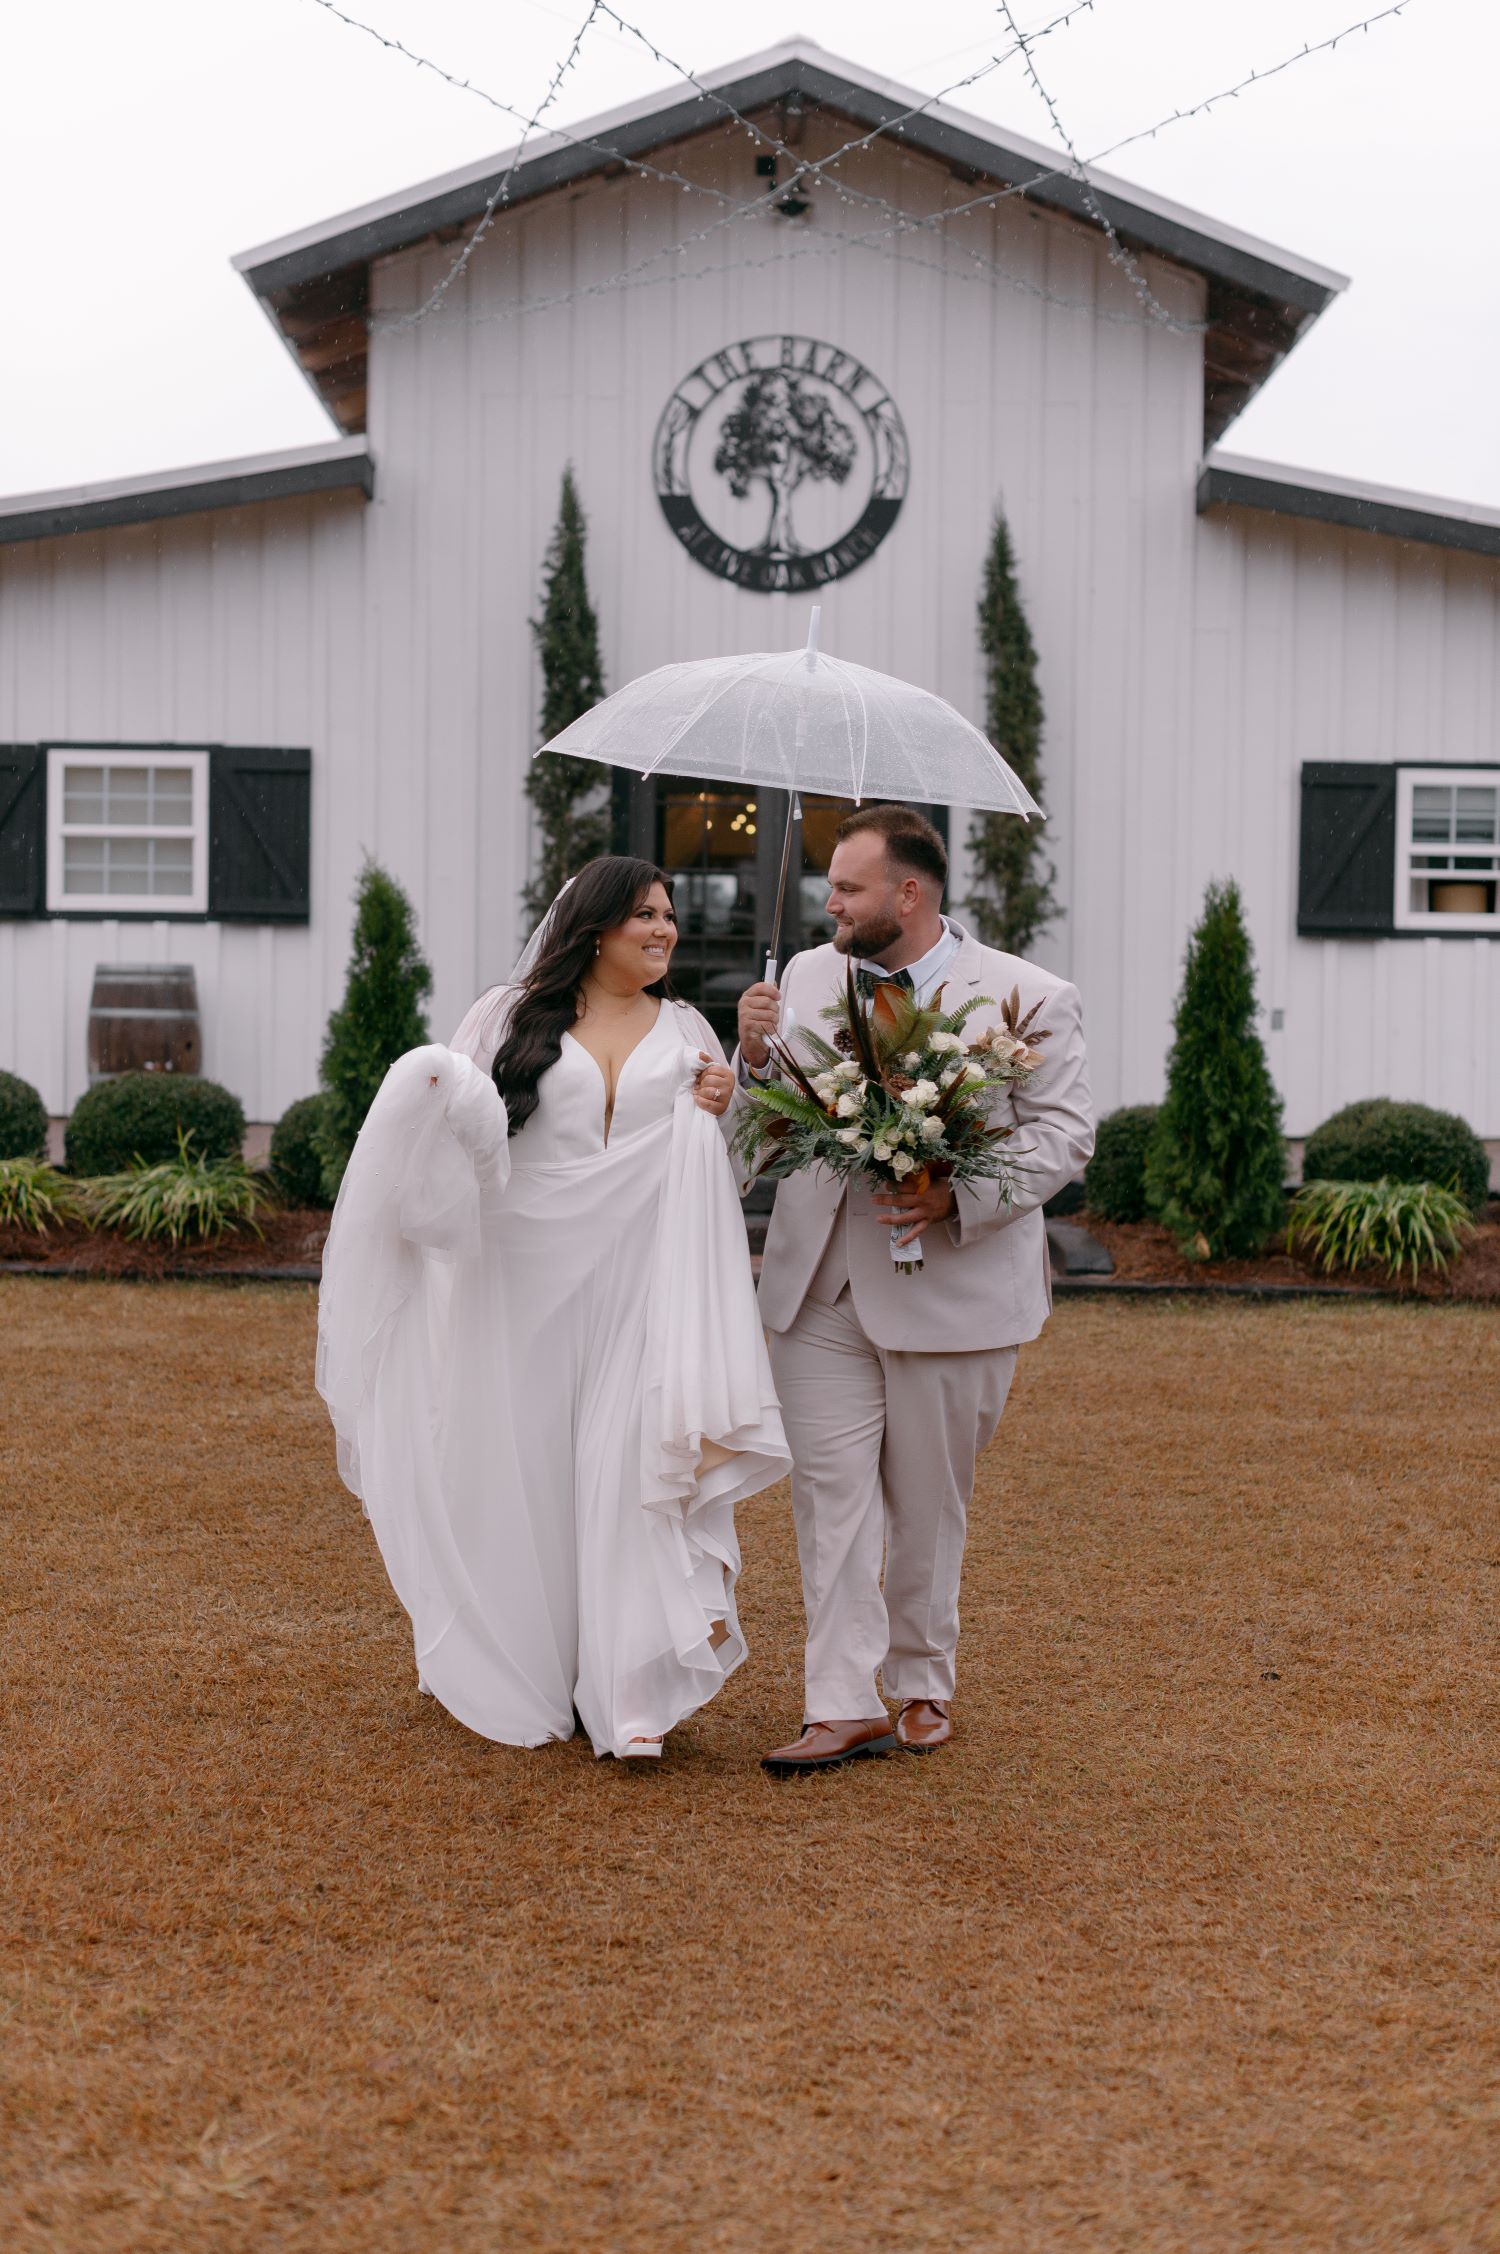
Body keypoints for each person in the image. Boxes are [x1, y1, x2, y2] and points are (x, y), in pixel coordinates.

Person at [317, 856, 789, 1761]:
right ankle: (516, 1660)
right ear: (594, 927)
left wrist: (730, 1095)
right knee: (522, 1467)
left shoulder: (689, 1026)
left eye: (669, 916)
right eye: (644, 915)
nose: (664, 931)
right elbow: (458, 1138)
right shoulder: (505, 1016)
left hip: (640, 1279)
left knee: (629, 1468)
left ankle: (631, 1690)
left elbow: (724, 1168)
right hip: (520, 1277)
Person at [735, 804, 1094, 1773]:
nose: (830, 904)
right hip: (818, 1286)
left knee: (930, 1501)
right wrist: (753, 1058)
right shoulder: (804, 976)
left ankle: (924, 1677)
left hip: (957, 1292)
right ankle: (840, 1701)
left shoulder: (1027, 995)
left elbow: (1064, 1135)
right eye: (828, 886)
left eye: (847, 888)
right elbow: (761, 1126)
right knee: (829, 1496)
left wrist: (956, 1192)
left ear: (910, 893)